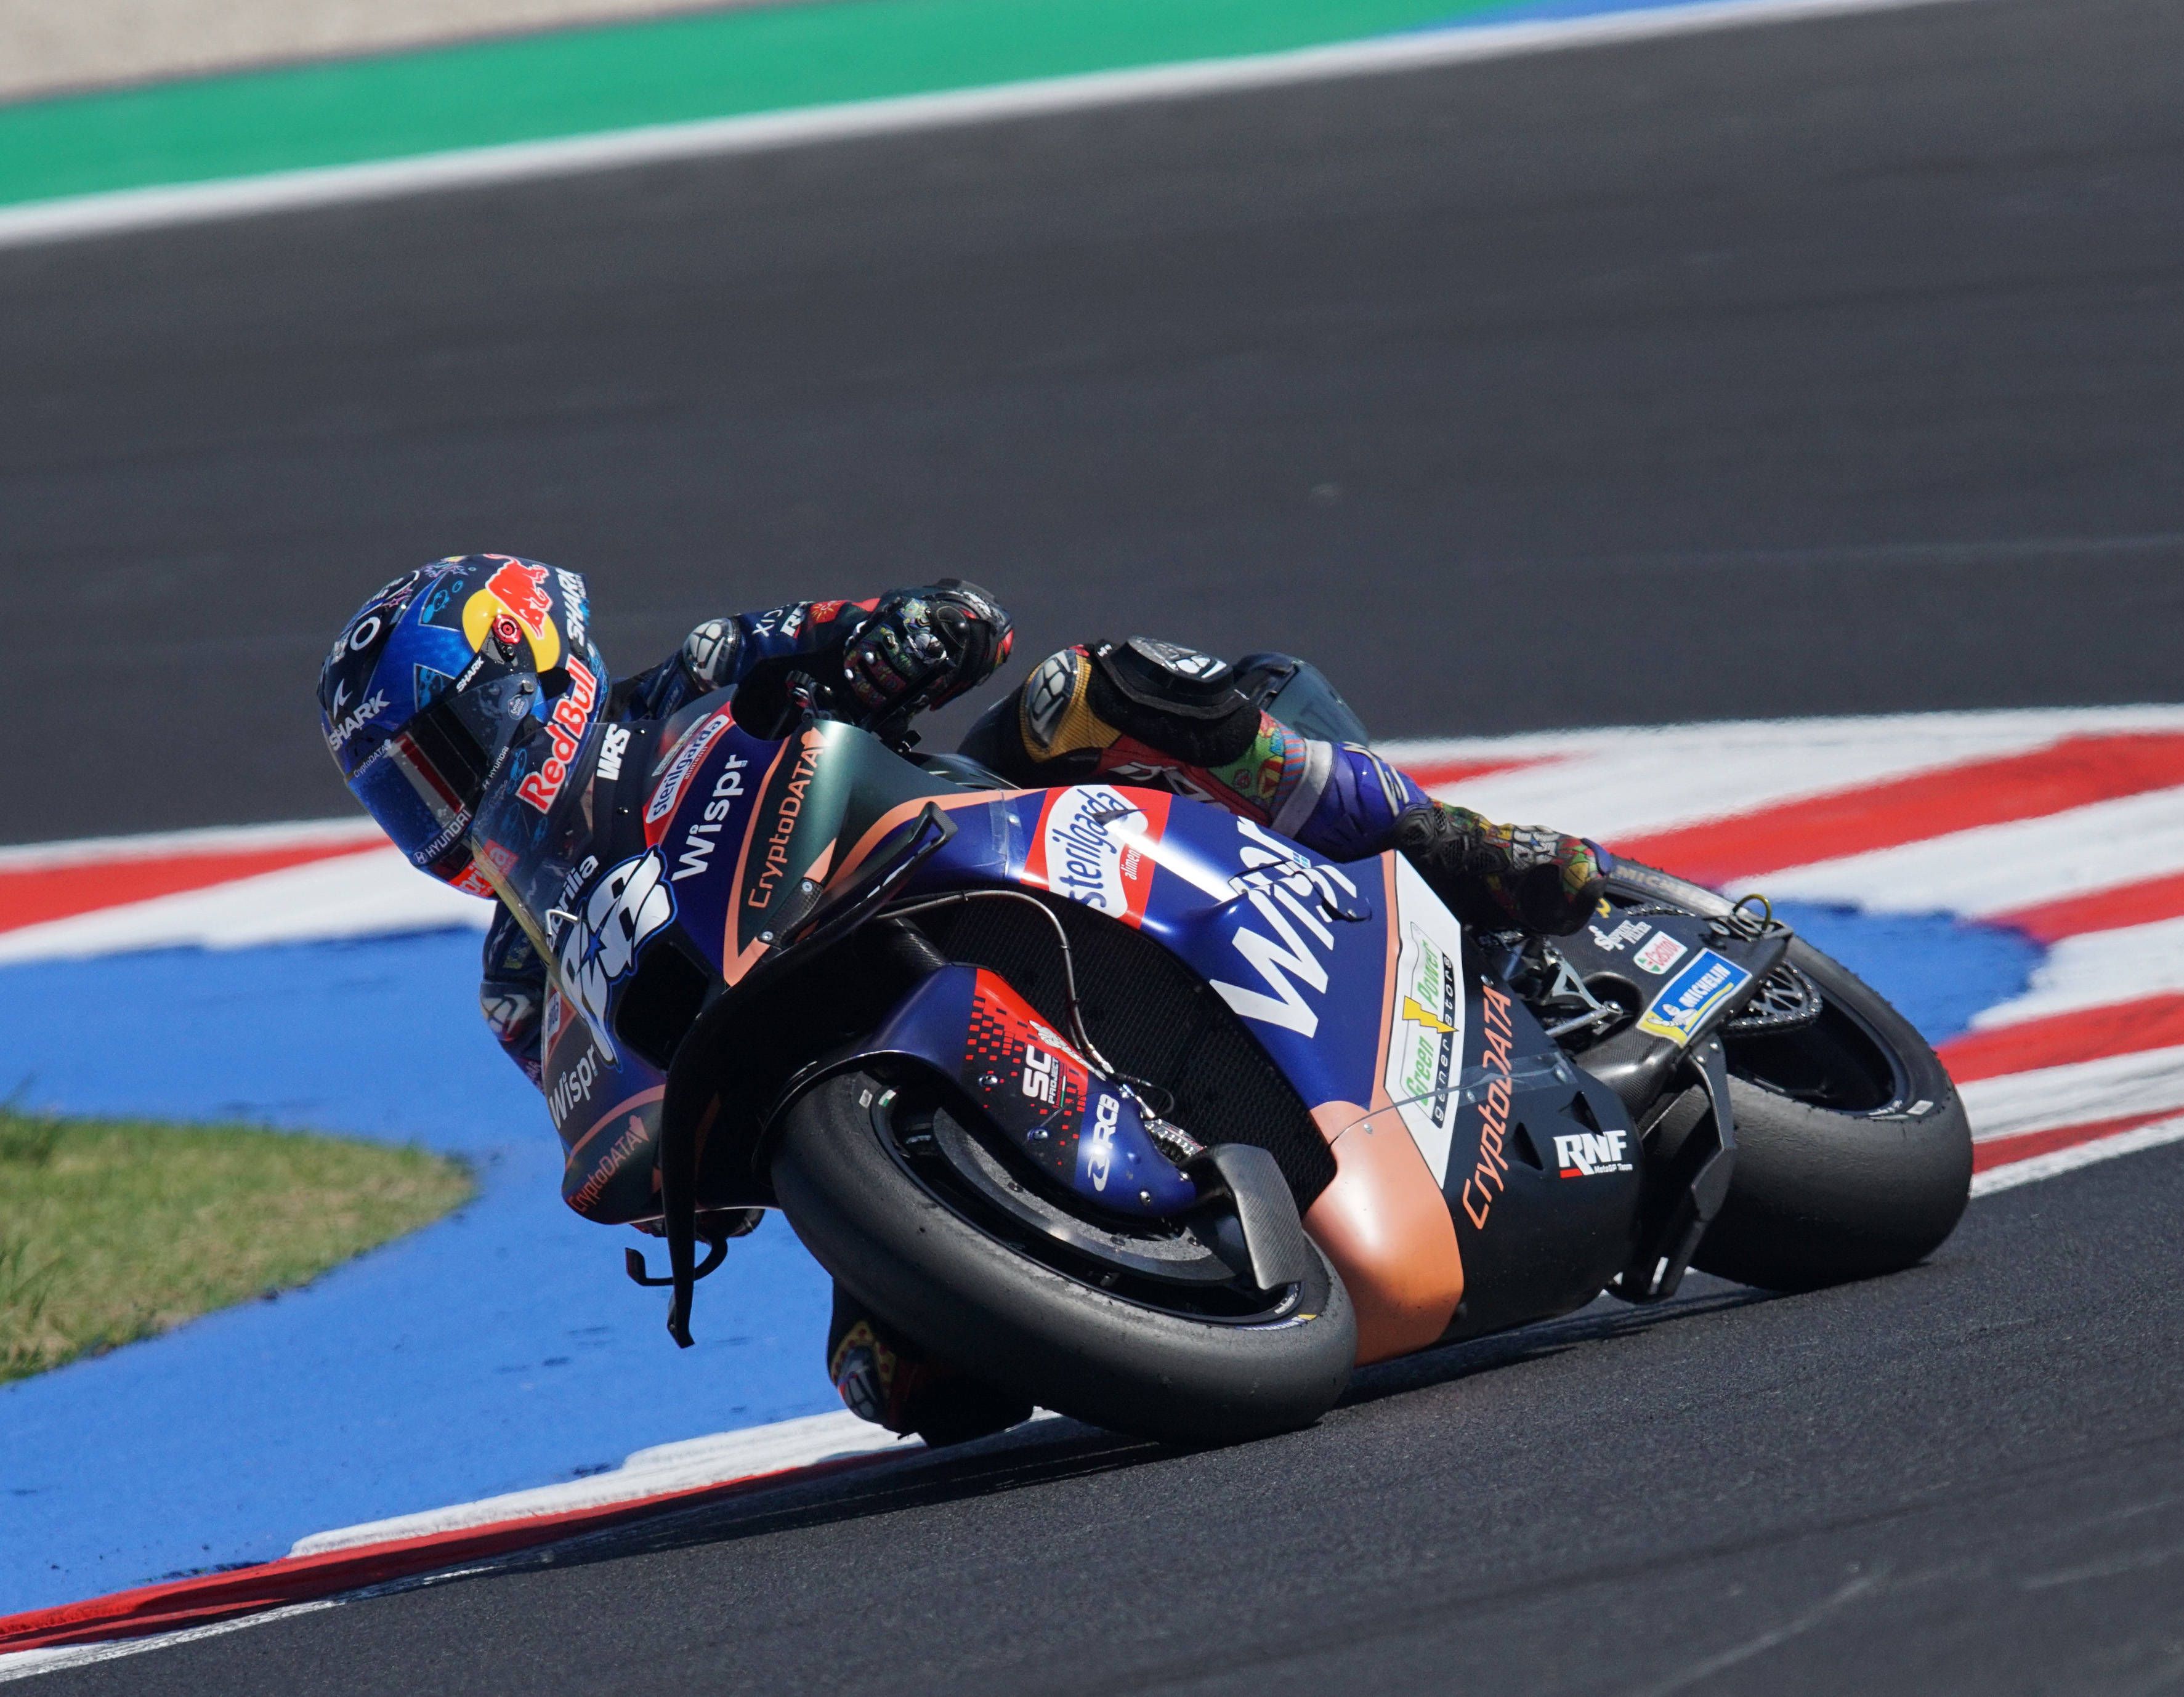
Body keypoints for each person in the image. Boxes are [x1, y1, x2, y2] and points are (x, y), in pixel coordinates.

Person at [319, 554, 1612, 1441]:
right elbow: (616, 1119)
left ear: (527, 668)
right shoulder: (512, 974)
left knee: (1087, 688)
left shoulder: (702, 675)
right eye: (402, 794)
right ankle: (1126, 1237)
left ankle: (1446, 850)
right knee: (898, 1381)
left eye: (446, 753)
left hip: (960, 840)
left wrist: (897, 643)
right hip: (839, 1045)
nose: (442, 805)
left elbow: (956, 622)